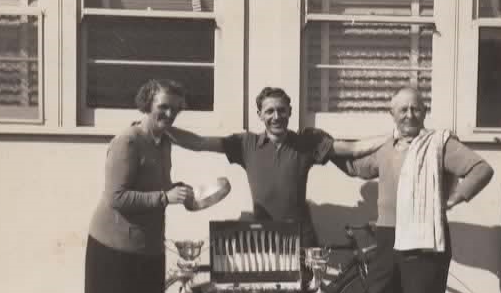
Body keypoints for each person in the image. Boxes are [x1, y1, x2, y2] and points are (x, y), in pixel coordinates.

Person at [334, 87, 494, 293]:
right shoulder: (384, 146)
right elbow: (355, 167)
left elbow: (481, 169)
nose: (409, 115)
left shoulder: (439, 144)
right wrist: (324, 150)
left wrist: (451, 200)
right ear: (391, 114)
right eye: (402, 110)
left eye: (415, 109)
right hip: (388, 236)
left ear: (424, 112)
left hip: (424, 239)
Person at [83, 79, 194, 293]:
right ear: (146, 104)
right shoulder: (127, 142)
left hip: (146, 244)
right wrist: (164, 197)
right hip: (114, 243)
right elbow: (116, 197)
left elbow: (154, 186)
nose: (170, 112)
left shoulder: (162, 143)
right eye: (164, 106)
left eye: (175, 107)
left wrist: (176, 189)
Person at [166, 86, 387, 247]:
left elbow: (354, 149)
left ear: (290, 112)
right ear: (260, 115)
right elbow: (199, 143)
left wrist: (395, 135)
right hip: (263, 237)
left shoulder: (306, 143)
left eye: (281, 110)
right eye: (270, 111)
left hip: (302, 238)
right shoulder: (246, 144)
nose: (276, 116)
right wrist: (161, 129)